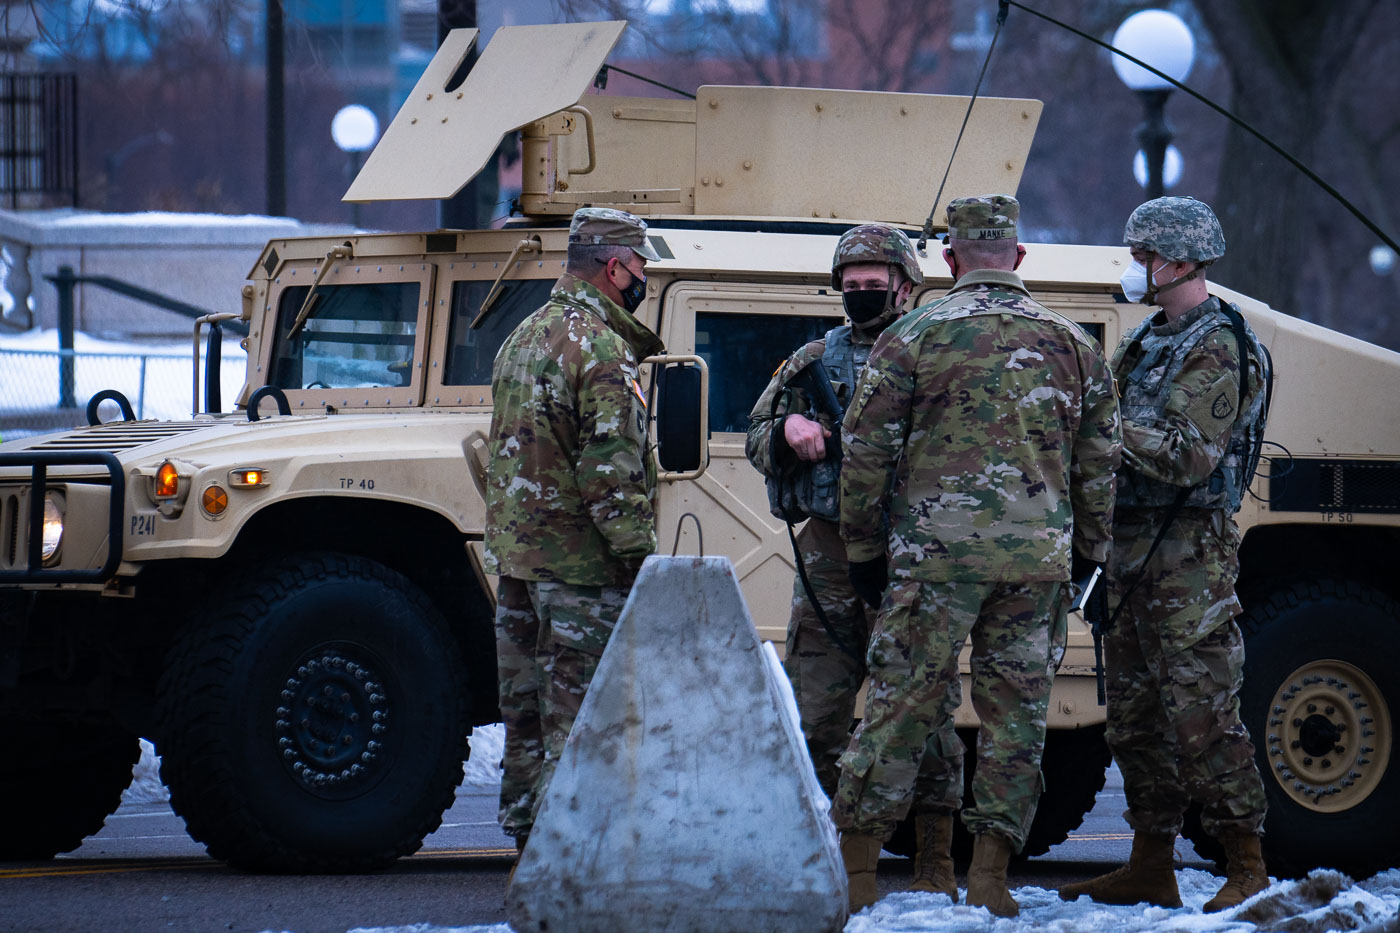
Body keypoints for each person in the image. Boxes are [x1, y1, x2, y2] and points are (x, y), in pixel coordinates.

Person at [833, 195, 1122, 916]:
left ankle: (858, 877)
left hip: (933, 562)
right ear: (1019, 257)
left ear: (951, 259)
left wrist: (864, 549)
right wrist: (1089, 555)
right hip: (1035, 566)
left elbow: (864, 456)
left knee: (897, 710)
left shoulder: (911, 336)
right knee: (1017, 721)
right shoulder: (1075, 345)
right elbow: (1100, 466)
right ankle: (991, 878)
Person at [1058, 196, 1270, 913]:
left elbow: (1187, 455)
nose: (1136, 268)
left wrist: (1097, 428)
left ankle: (1247, 859)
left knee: (1202, 714)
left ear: (1179, 259)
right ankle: (1151, 861)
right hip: (1131, 553)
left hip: (1189, 560)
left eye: (1144, 256)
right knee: (1135, 718)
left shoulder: (1221, 346)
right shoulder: (1149, 341)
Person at [745, 224, 962, 900]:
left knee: (924, 709)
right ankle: (833, 850)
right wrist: (788, 430)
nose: (862, 295)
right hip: (832, 553)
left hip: (912, 555)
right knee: (817, 710)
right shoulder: (815, 357)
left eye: (875, 285)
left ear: (906, 284)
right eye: (852, 285)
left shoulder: (938, 352)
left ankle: (934, 857)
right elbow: (756, 432)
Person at [483, 207, 664, 864]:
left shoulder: (522, 337)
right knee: (582, 719)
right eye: (641, 266)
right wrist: (643, 561)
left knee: (526, 716)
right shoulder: (603, 350)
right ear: (615, 267)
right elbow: (611, 473)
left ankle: (532, 852)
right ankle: (573, 865)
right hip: (582, 575)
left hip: (520, 570)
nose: (644, 277)